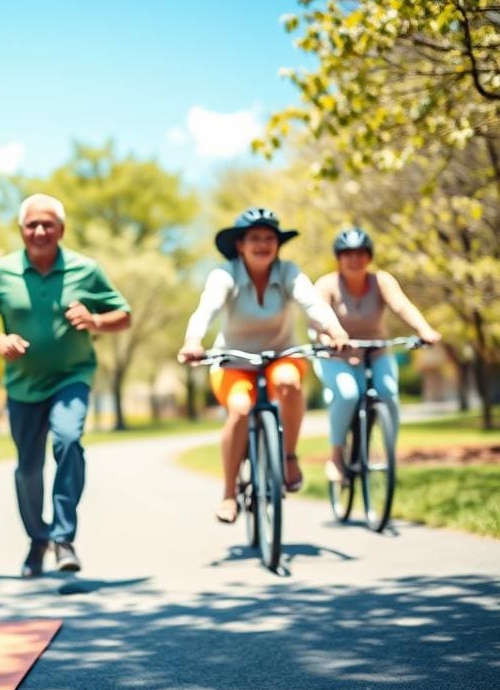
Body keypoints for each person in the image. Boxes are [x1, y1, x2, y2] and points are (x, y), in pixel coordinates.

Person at [0, 193, 131, 577]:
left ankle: (63, 537)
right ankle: (37, 539)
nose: (40, 231)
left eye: (48, 225)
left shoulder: (86, 270)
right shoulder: (1, 273)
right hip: (22, 385)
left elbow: (122, 315)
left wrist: (95, 320)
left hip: (71, 376)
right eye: (32, 225)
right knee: (27, 468)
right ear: (22, 230)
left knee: (68, 440)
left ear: (61, 229)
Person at [178, 207, 348, 524]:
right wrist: (193, 341)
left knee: (288, 383)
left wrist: (334, 330)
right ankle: (229, 493)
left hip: (281, 355)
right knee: (240, 408)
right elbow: (207, 309)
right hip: (232, 362)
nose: (262, 244)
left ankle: (288, 457)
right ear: (240, 245)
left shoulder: (288, 272)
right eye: (254, 238)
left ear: (277, 244)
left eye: (269, 238)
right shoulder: (225, 275)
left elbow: (312, 303)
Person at [313, 227, 441, 483]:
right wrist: (327, 338)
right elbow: (316, 317)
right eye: (348, 254)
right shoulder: (327, 284)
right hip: (335, 357)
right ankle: (336, 456)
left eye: (360, 253)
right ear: (339, 258)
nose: (354, 259)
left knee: (388, 393)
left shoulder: (381, 281)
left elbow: (401, 305)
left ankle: (390, 455)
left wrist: (423, 329)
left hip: (376, 352)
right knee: (348, 394)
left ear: (369, 257)